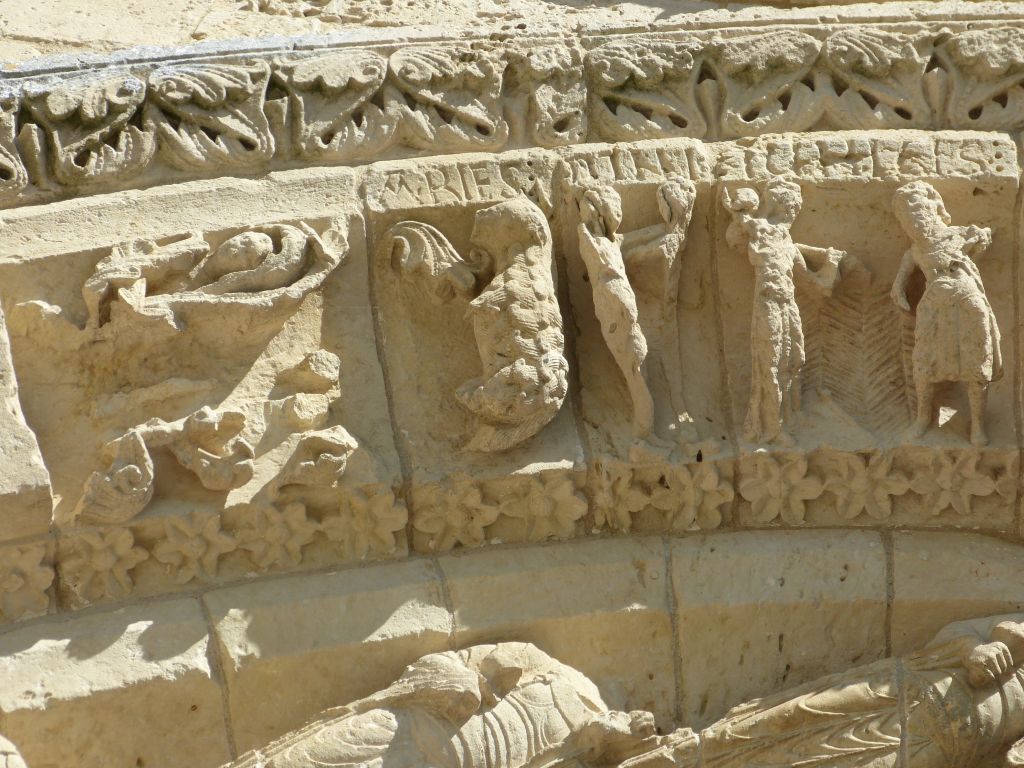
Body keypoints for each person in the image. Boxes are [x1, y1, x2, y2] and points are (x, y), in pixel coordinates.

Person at [890, 181, 1002, 446]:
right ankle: (923, 418)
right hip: (934, 306)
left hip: (968, 302)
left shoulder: (961, 235)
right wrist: (899, 294)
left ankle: (977, 425)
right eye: (907, 219)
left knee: (977, 361)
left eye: (918, 213)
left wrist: (981, 237)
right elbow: (898, 284)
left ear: (934, 209)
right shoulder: (915, 251)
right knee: (924, 363)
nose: (914, 222)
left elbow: (984, 239)